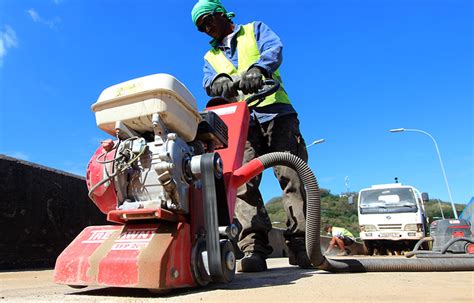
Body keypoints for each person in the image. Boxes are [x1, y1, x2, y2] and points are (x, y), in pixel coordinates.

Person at [191, 0, 311, 272]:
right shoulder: (210, 58)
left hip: (276, 113)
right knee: (241, 184)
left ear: (221, 14)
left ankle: (302, 244)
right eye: (201, 27)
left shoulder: (253, 30)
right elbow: (209, 82)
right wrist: (219, 82)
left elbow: (274, 48)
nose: (207, 28)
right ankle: (253, 248)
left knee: (291, 176)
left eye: (208, 20)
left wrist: (259, 69)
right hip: (241, 123)